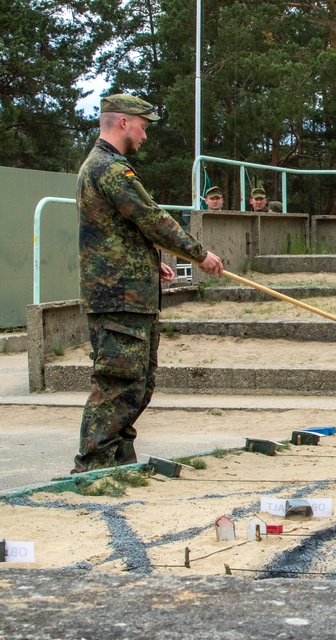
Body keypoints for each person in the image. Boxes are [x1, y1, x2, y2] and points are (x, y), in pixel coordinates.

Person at [74, 93, 225, 473]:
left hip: (128, 291)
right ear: (122, 122)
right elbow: (151, 217)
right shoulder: (109, 169)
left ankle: (119, 464)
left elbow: (118, 230)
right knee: (118, 385)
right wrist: (198, 254)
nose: (144, 136)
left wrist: (148, 262)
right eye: (142, 126)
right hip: (118, 298)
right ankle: (93, 467)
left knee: (137, 385)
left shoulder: (106, 167)